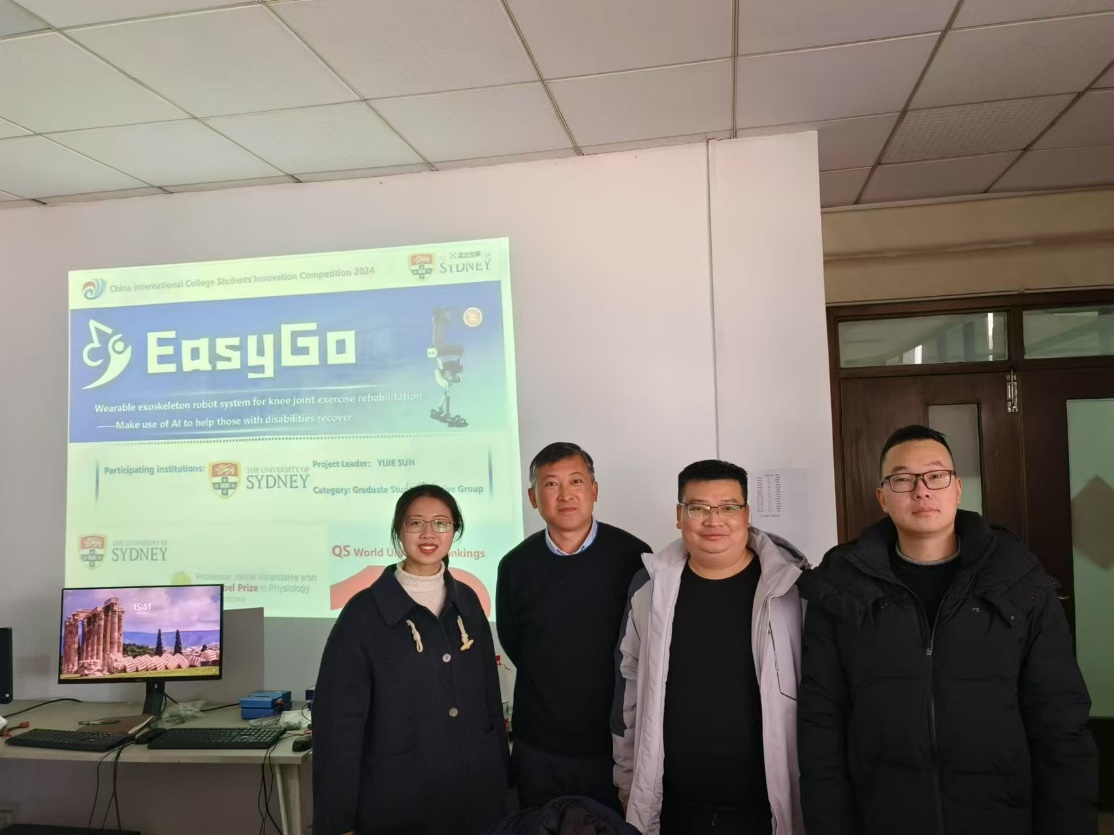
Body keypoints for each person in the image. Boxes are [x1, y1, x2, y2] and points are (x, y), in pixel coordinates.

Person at [798, 424, 1098, 835]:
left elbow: (1060, 719)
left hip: (1000, 816)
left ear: (957, 488)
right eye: (903, 479)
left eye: (936, 476)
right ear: (882, 497)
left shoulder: (1017, 581)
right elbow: (821, 722)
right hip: (883, 816)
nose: (921, 490)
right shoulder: (841, 590)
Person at [613, 459, 808, 835]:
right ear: (679, 516)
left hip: (765, 807)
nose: (714, 520)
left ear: (746, 514)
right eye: (698, 508)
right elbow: (628, 688)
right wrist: (626, 781)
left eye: (728, 507)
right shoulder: (649, 589)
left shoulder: (791, 589)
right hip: (674, 806)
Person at [313, 484, 510, 835]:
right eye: (415, 523)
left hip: (474, 794)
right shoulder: (363, 613)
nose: (429, 534)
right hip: (396, 800)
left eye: (441, 523)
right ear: (398, 530)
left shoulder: (467, 601)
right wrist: (338, 821)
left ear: (455, 530)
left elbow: (489, 703)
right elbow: (338, 727)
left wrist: (503, 789)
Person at [496, 442, 650, 811]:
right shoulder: (515, 565)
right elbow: (515, 642)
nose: (565, 495)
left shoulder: (634, 557)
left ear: (594, 490)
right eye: (551, 484)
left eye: (576, 481)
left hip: (615, 746)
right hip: (539, 747)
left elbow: (648, 646)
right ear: (533, 498)